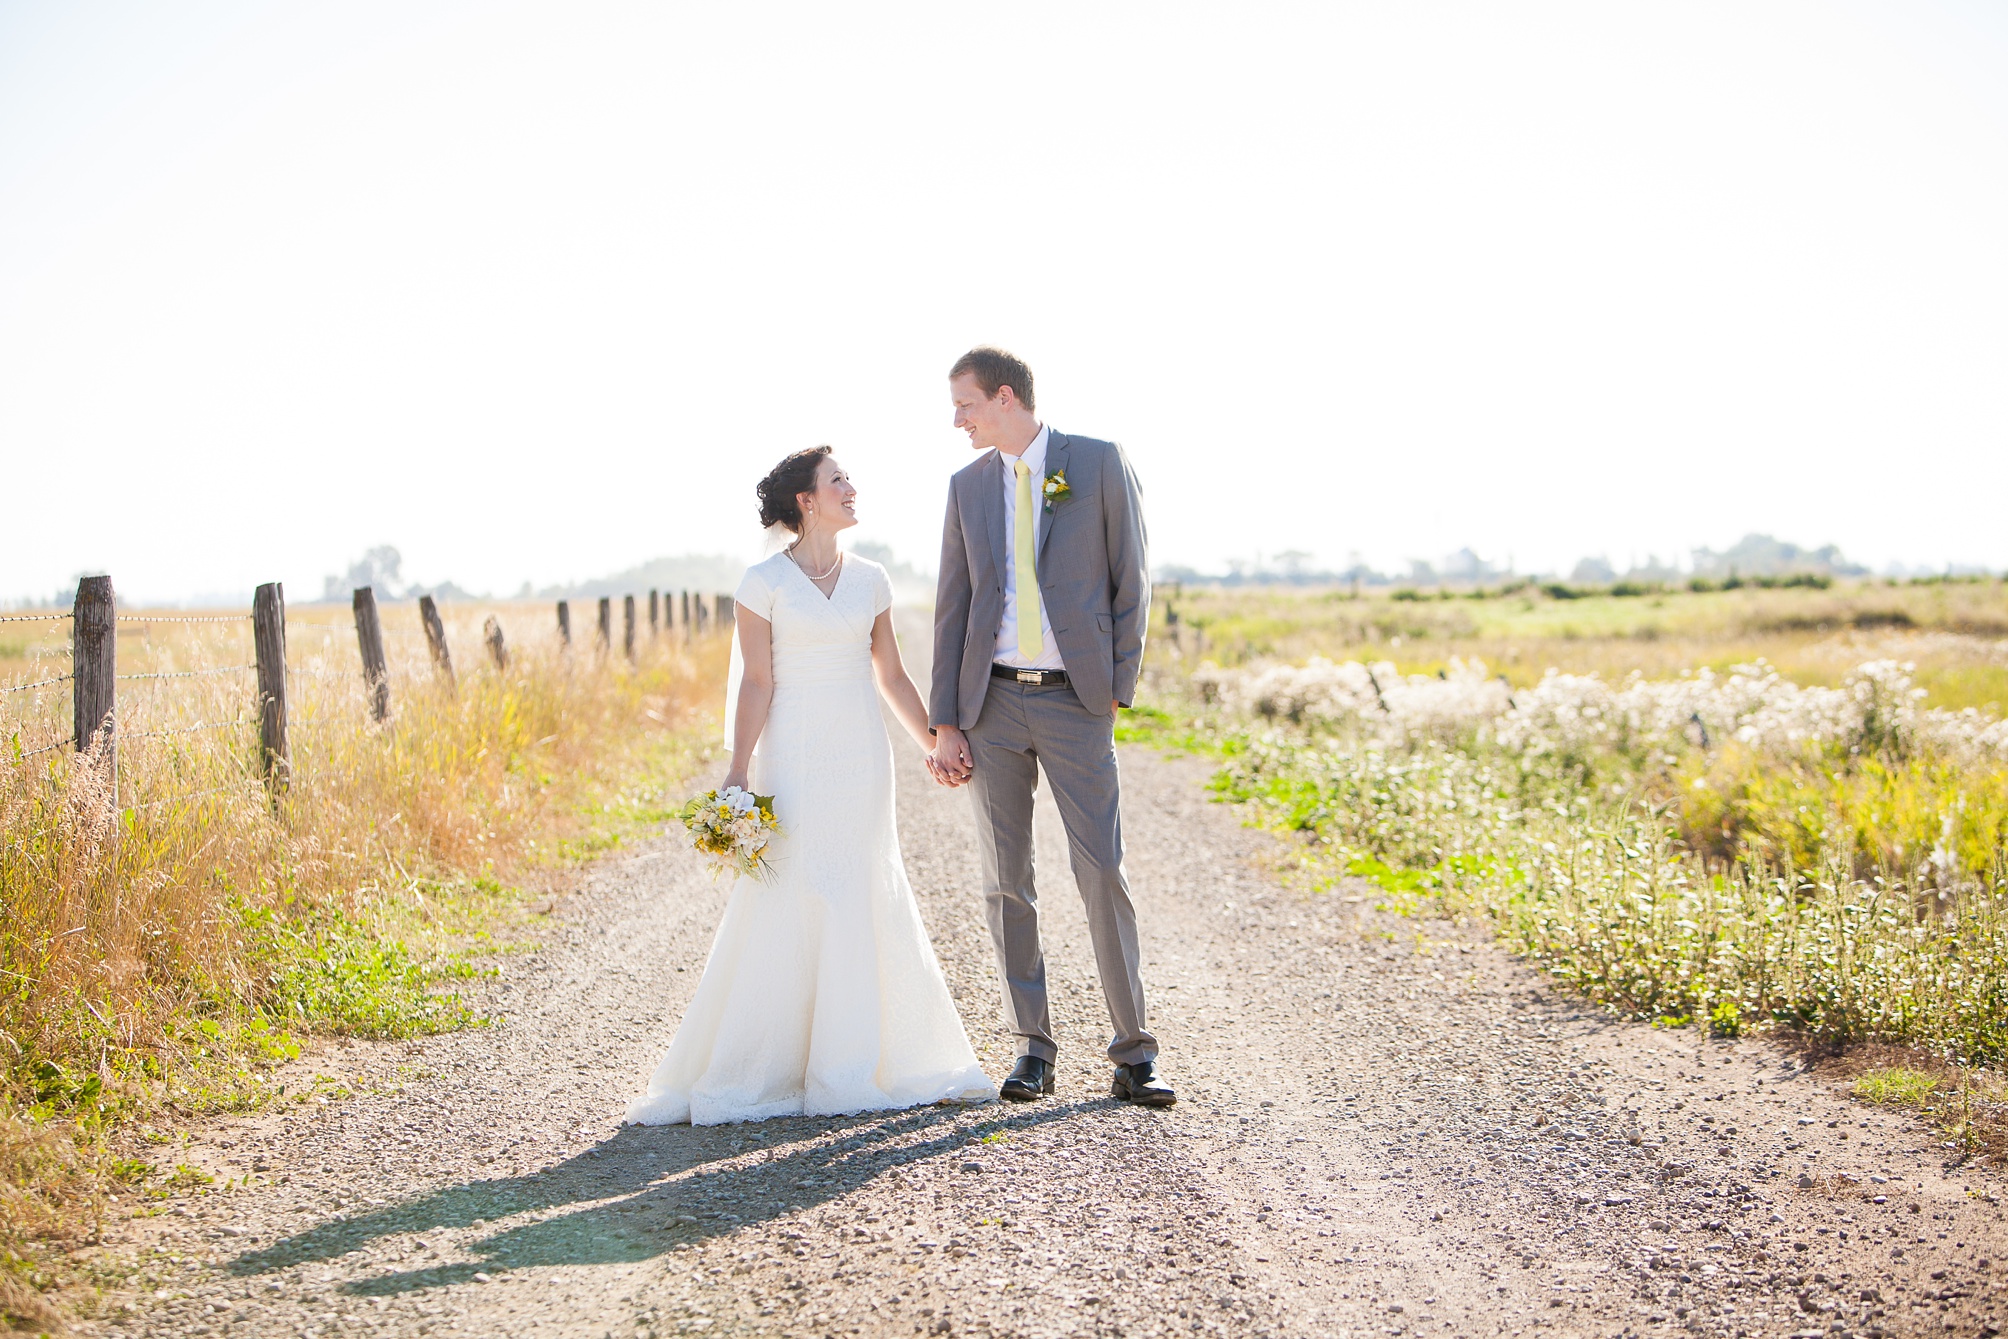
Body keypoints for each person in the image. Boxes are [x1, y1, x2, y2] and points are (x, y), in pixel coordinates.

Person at [627, 447, 995, 1125]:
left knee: (859, 885)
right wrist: (739, 771)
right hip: (792, 753)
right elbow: (758, 681)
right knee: (790, 890)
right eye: (838, 481)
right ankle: (772, 1064)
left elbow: (891, 675)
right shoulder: (762, 581)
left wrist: (935, 742)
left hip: (861, 756)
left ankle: (851, 1061)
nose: (851, 489)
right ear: (806, 500)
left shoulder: (872, 579)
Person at [928, 347, 1174, 1107]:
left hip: (1076, 699)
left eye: (966, 403)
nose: (958, 419)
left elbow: (1132, 577)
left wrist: (1117, 687)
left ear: (1006, 398)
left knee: (1100, 866)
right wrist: (945, 720)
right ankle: (1032, 1046)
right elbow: (953, 605)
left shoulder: (1094, 463)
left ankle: (1134, 1052)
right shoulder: (967, 486)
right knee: (1007, 880)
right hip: (991, 704)